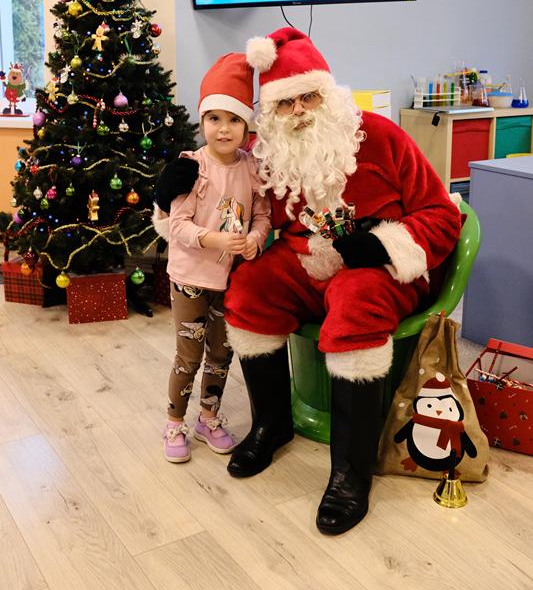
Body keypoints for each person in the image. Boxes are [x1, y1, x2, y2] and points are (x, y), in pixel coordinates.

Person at [161, 27, 462, 535]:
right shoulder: (270, 154)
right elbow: (221, 189)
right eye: (285, 103)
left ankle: (351, 471)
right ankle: (271, 424)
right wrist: (168, 193)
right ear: (271, 113)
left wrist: (383, 245)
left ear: (330, 94)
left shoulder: (381, 137)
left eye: (309, 97)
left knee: (355, 300)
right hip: (306, 259)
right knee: (250, 290)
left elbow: (441, 213)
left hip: (380, 267)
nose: (299, 111)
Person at [152, 51, 271, 464]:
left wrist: (255, 239)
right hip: (189, 279)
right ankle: (174, 423)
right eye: (215, 118)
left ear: (247, 125)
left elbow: (262, 215)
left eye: (234, 119)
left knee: (221, 354)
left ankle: (208, 418)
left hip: (230, 281)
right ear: (202, 121)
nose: (224, 129)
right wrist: (215, 240)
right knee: (189, 357)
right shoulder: (191, 167)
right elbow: (177, 226)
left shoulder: (251, 167)